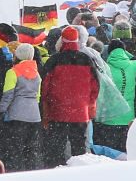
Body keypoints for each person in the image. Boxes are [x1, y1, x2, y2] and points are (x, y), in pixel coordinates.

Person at [39, 26, 99, 167]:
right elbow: (95, 88)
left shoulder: (54, 60)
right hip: (80, 112)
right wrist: (89, 106)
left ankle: (56, 172)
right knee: (79, 147)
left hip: (57, 111)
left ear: (62, 41)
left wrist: (46, 106)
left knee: (56, 148)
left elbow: (44, 87)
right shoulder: (87, 60)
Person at [0, 43, 41, 172]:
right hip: (34, 116)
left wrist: (1, 109)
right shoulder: (37, 74)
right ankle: (30, 173)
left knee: (14, 150)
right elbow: (38, 96)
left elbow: (8, 95)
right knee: (30, 150)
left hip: (17, 114)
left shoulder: (12, 72)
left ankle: (16, 174)